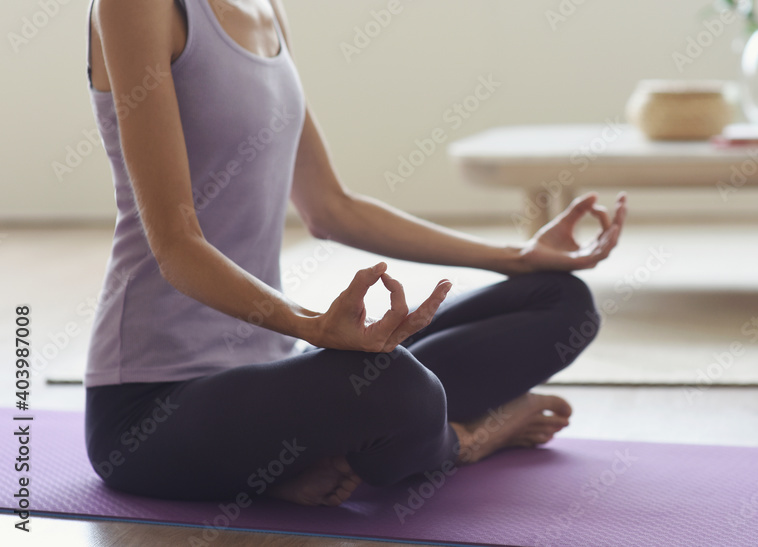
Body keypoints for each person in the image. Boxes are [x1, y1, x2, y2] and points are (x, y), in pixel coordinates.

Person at [83, 0, 627, 506]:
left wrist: (516, 256)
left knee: (560, 301)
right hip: (149, 409)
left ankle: (335, 451)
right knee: (397, 389)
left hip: (277, 376)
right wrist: (313, 327)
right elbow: (177, 245)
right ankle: (465, 438)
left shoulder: (265, 7)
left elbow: (331, 208)